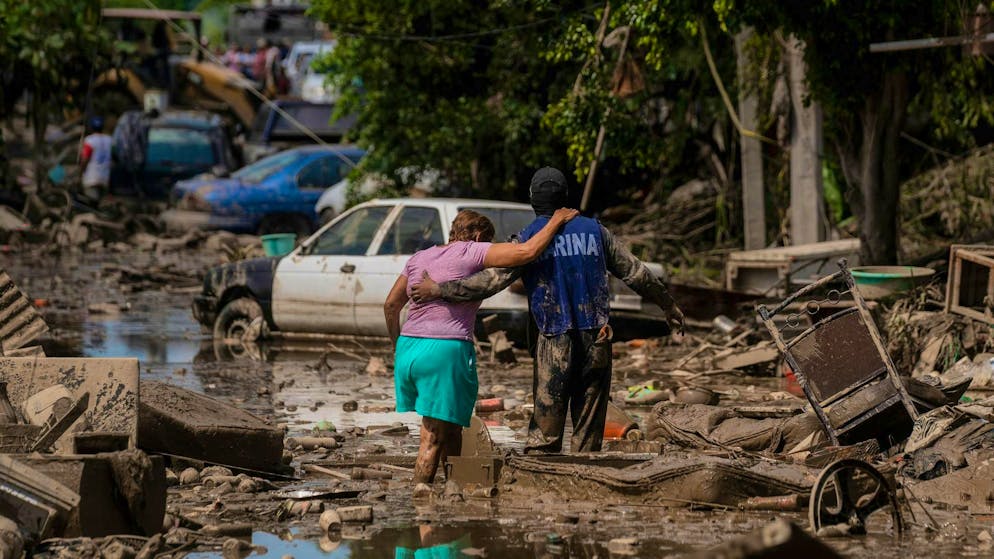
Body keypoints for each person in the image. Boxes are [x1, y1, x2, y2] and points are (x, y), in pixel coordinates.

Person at [411, 167, 685, 454]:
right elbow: (636, 273)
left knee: (545, 434)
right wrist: (668, 305)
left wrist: (440, 290)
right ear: (565, 196)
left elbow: (490, 282)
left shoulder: (531, 238)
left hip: (554, 338)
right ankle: (587, 482)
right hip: (598, 338)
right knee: (589, 429)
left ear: (534, 199)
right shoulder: (596, 231)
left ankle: (542, 485)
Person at [383, 207, 578, 488]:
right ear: (477, 235)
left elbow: (391, 305)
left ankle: (454, 493)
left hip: (409, 349)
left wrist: (397, 347)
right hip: (445, 350)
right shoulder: (472, 252)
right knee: (432, 435)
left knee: (451, 426)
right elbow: (526, 252)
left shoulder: (420, 257)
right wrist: (557, 221)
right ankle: (420, 505)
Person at [79, 116, 112, 202]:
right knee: (100, 203)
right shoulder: (109, 140)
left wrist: (80, 172)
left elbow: (85, 159)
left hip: (91, 178)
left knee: (92, 203)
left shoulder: (89, 140)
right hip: (105, 177)